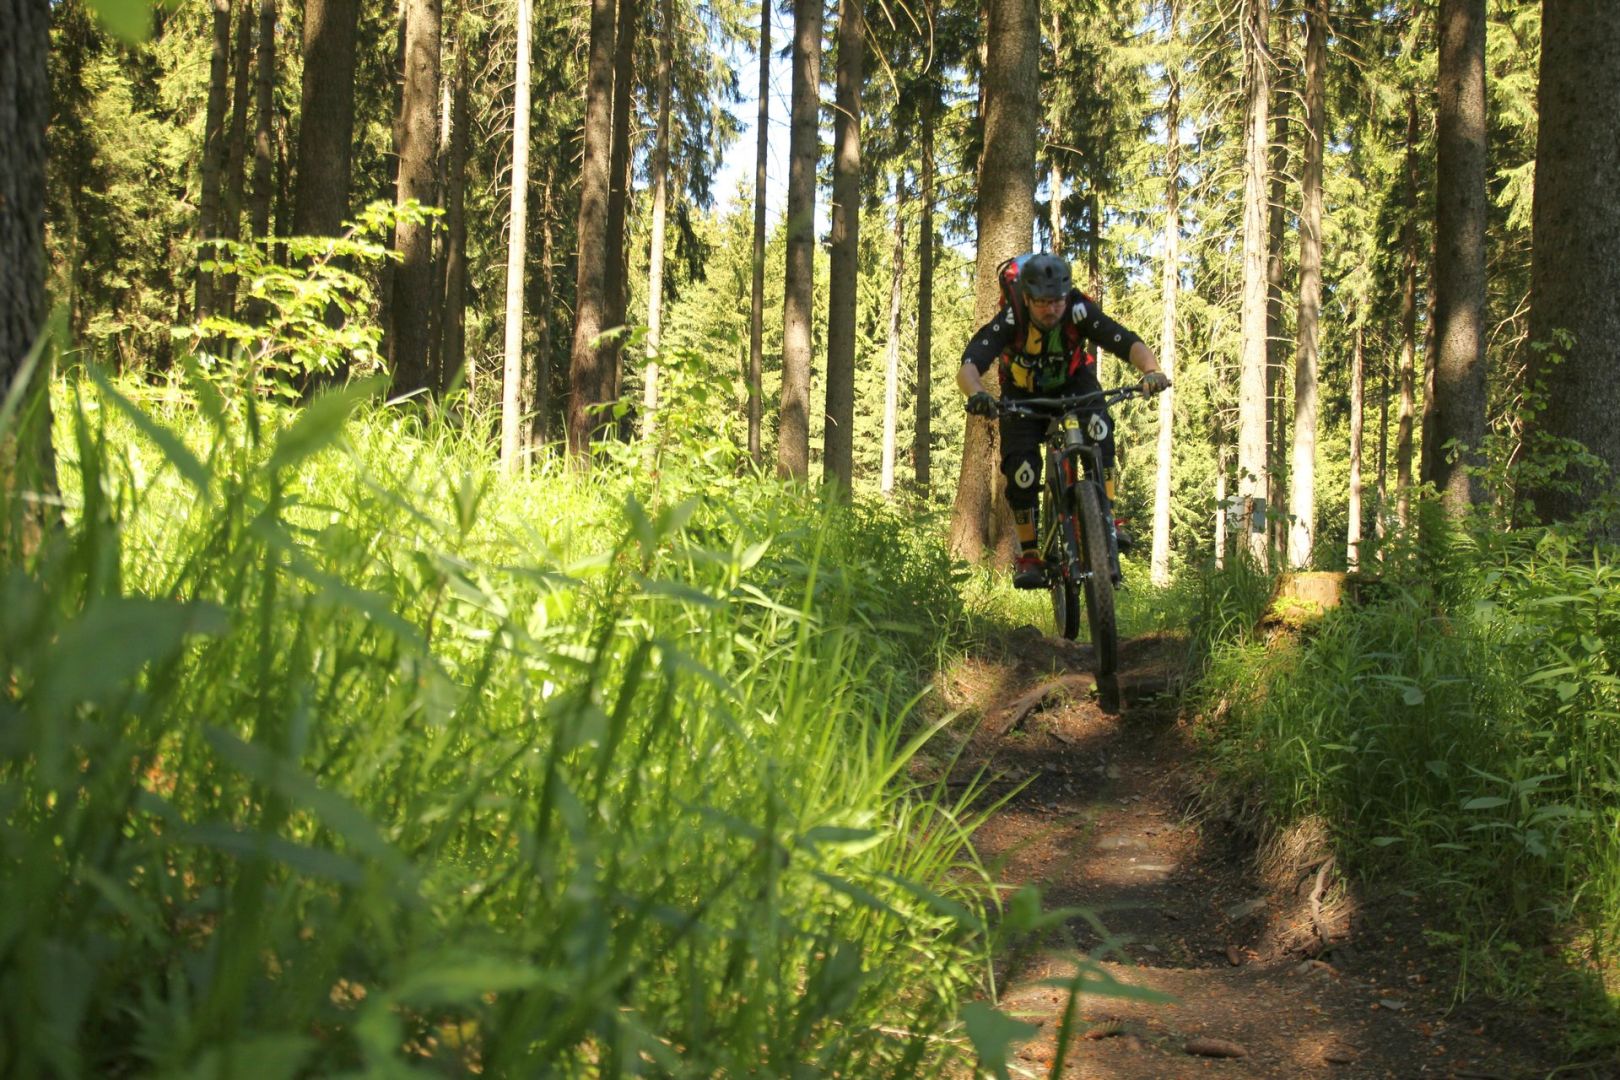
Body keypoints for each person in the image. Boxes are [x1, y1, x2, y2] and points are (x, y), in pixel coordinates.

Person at [958, 252, 1170, 589]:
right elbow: (971, 362)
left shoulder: (1078, 310)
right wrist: (977, 394)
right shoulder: (1011, 319)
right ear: (1027, 298)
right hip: (1023, 394)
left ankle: (1107, 518)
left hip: (1075, 384)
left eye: (1055, 300)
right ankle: (1029, 555)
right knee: (1022, 472)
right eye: (1041, 302)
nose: (1050, 309)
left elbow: (1124, 340)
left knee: (1100, 430)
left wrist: (1151, 371)